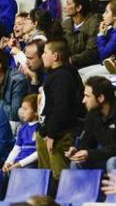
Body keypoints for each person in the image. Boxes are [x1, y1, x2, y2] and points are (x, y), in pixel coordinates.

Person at [36, 40, 85, 180]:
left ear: (56, 56)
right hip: (49, 131)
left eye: (46, 53)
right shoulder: (56, 74)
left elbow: (61, 106)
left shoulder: (62, 76)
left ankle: (61, 201)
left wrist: (52, 133)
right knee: (46, 175)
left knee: (59, 175)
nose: (43, 56)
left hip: (60, 134)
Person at [61, 0, 100, 69]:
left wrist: (70, 60)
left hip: (88, 65)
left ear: (78, 8)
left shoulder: (94, 24)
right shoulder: (65, 24)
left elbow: (91, 52)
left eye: (68, 4)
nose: (65, 7)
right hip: (69, 64)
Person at [2, 94, 40, 171]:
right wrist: (8, 162)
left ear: (36, 112)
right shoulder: (22, 129)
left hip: (31, 164)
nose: (22, 112)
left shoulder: (40, 128)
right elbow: (16, 148)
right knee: (4, 173)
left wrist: (20, 164)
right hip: (18, 163)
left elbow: (38, 153)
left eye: (25, 109)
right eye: (21, 108)